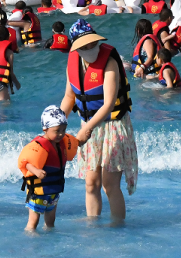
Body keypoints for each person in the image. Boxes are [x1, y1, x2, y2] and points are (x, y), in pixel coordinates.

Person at [60, 19, 136, 222]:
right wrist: (57, 122)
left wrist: (86, 129)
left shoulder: (110, 62)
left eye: (92, 43)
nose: (90, 48)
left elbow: (109, 104)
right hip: (88, 125)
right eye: (84, 46)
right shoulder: (73, 63)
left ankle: (117, 228)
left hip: (113, 126)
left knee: (109, 185)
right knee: (91, 183)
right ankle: (93, 227)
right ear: (76, 48)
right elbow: (69, 97)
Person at [18, 106, 80, 231]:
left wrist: (86, 135)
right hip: (38, 192)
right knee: (33, 221)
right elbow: (27, 163)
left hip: (53, 191)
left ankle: (49, 236)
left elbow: (78, 142)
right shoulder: (39, 146)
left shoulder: (61, 144)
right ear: (45, 129)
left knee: (51, 221)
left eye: (64, 130)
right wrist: (36, 171)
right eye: (57, 131)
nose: (61, 134)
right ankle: (30, 235)